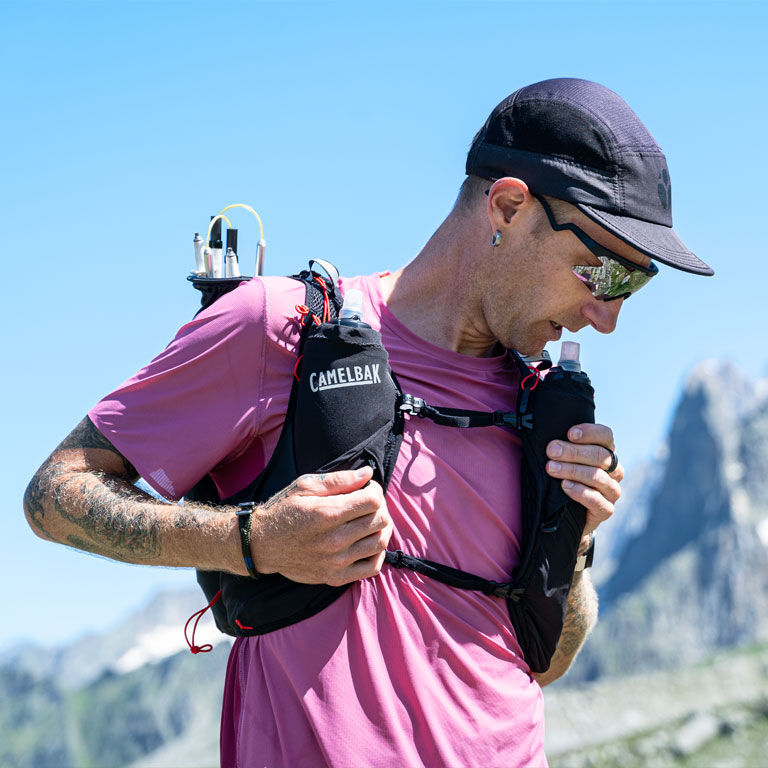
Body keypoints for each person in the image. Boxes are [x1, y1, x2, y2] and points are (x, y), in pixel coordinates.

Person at [24, 78, 713, 767]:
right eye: (603, 274)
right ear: (508, 205)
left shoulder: (540, 409)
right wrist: (253, 540)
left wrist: (577, 540)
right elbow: (56, 495)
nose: (609, 317)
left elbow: (547, 662)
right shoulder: (279, 329)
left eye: (636, 284)